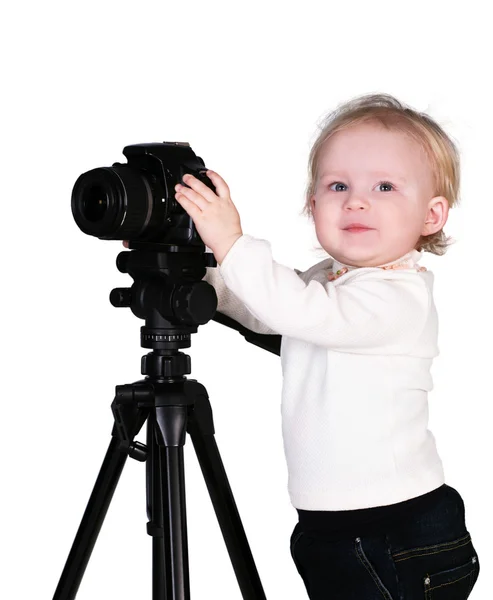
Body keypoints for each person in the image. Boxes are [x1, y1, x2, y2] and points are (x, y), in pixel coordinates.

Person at [126, 93, 480, 599]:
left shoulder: (397, 298)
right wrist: (194, 269)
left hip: (396, 533)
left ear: (432, 215)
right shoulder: (332, 283)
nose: (356, 200)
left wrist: (232, 244)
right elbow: (269, 311)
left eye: (385, 186)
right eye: (338, 185)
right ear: (313, 205)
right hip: (336, 526)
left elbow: (296, 309)